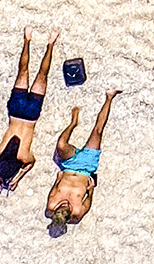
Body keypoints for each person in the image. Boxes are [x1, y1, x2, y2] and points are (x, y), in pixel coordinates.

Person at [46, 89, 121, 225]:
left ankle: (73, 123)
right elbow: (88, 202)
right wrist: (91, 190)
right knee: (97, 131)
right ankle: (110, 97)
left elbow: (54, 188)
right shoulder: (78, 212)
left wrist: (57, 180)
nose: (65, 203)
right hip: (86, 167)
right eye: (67, 207)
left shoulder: (51, 205)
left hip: (69, 166)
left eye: (61, 205)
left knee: (61, 145)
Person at [0, 27, 59, 190]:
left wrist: (17, 178)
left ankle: (51, 43)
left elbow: (31, 164)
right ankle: (27, 39)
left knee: (42, 75)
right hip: (16, 111)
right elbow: (0, 164)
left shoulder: (24, 157)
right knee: (23, 71)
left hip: (31, 115)